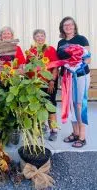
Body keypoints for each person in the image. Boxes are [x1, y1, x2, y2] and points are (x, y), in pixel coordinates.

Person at [57, 17, 91, 148]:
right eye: (65, 25)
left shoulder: (81, 39)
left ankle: (82, 136)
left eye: (70, 24)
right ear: (62, 28)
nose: (68, 27)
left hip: (80, 75)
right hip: (66, 77)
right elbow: (60, 61)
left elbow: (88, 58)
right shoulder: (60, 42)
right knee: (69, 105)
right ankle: (75, 133)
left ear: (74, 26)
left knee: (78, 104)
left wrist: (77, 66)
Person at [26, 29, 59, 141]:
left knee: (50, 106)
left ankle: (53, 130)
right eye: (37, 36)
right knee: (38, 106)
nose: (40, 38)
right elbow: (28, 67)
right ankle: (40, 128)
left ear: (45, 37)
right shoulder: (31, 51)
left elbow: (55, 67)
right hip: (35, 83)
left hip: (48, 82)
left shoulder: (50, 49)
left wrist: (52, 80)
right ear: (34, 38)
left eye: (42, 36)